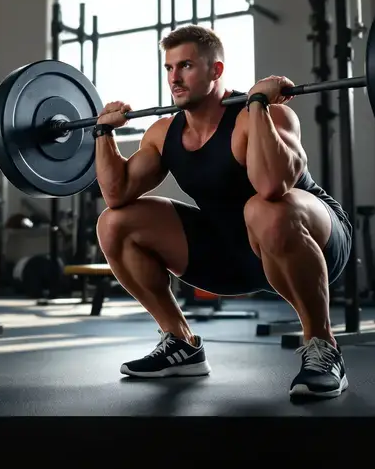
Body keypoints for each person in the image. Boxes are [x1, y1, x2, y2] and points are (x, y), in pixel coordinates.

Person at [93, 25, 352, 399]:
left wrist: (260, 105)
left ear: (216, 71)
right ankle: (181, 344)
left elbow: (271, 186)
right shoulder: (164, 132)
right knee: (114, 223)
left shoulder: (262, 115)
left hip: (313, 240)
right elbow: (116, 194)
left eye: (186, 66)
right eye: (169, 68)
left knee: (264, 208)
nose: (174, 78)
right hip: (232, 252)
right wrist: (104, 134)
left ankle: (324, 347)